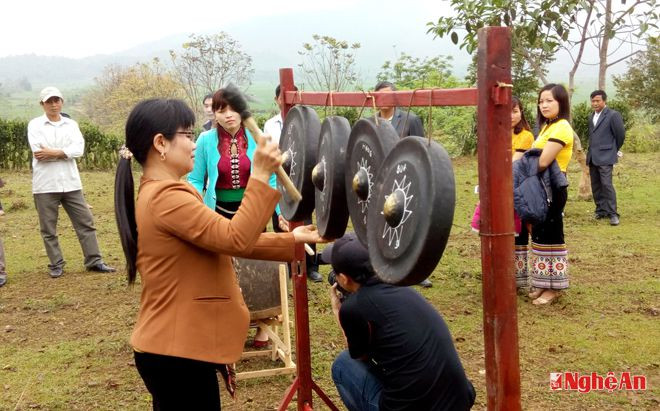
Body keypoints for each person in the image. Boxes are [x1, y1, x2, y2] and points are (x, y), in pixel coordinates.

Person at [115, 98, 325, 409]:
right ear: (161, 143)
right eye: (187, 135)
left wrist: (291, 239)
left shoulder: (166, 191)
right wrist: (259, 174)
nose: (194, 144)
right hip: (176, 352)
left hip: (177, 347)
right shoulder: (166, 197)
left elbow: (222, 240)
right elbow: (235, 237)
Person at [325, 232, 476, 410]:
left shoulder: (353, 308)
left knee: (343, 365)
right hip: (457, 401)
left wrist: (338, 310)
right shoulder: (403, 287)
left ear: (343, 279)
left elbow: (359, 354)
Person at [27, 86, 115, 278]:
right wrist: (65, 152)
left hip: (72, 183)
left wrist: (54, 152)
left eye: (56, 100)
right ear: (42, 104)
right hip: (45, 185)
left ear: (62, 102)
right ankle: (56, 264)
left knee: (85, 222)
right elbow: (39, 153)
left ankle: (94, 260)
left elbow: (78, 150)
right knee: (48, 228)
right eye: (49, 101)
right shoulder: (35, 125)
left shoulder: (71, 124)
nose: (53, 104)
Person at [374, 81, 431, 288]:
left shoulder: (410, 119)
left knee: (412, 224)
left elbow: (422, 149)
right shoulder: (371, 122)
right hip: (382, 181)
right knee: (382, 223)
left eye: (387, 96)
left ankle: (418, 270)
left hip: (407, 179)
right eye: (379, 96)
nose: (383, 100)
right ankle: (386, 265)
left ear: (395, 98)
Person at [263, 85, 322, 283]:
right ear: (277, 99)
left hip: (302, 178)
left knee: (306, 221)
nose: (289, 102)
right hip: (278, 177)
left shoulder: (308, 125)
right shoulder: (270, 125)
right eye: (284, 98)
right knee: (281, 222)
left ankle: (311, 265)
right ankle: (288, 265)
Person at [523, 83, 573, 305]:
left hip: (553, 187)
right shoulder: (546, 127)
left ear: (560, 102)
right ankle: (543, 283)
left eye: (549, 101)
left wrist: (522, 168)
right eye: (541, 101)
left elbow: (543, 161)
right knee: (540, 234)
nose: (544, 105)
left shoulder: (562, 127)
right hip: (539, 187)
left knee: (553, 234)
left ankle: (555, 288)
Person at [587, 90, 625, 226]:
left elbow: (620, 135)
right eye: (593, 101)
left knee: (607, 184)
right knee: (596, 184)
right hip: (593, 156)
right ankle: (601, 210)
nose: (595, 103)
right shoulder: (591, 116)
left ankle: (613, 214)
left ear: (604, 101)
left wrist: (613, 150)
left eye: (598, 100)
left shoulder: (613, 115)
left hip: (606, 156)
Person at [510, 96, 535, 289]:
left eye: (515, 111)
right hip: (496, 188)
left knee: (519, 230)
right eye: (507, 111)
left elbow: (513, 163)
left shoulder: (525, 135)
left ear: (521, 112)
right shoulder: (495, 133)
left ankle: (519, 278)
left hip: (517, 188)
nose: (511, 116)